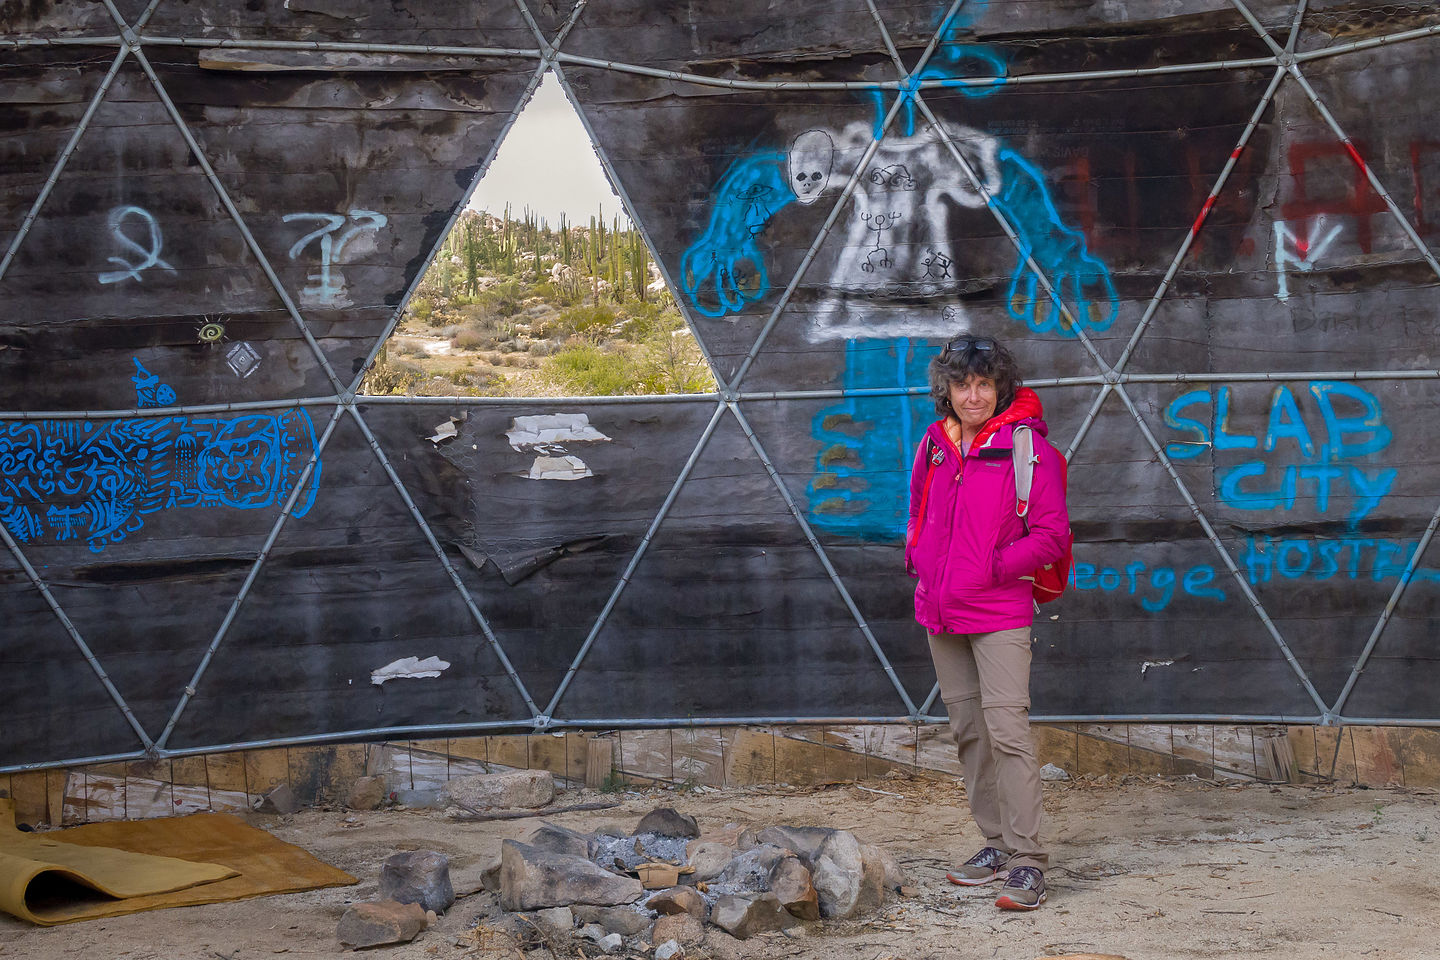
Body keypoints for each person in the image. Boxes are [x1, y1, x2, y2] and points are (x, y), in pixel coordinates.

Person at [904, 335, 1070, 910]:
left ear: (1001, 385)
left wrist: (994, 568)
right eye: (961, 384)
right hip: (942, 611)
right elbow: (918, 512)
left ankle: (1028, 862)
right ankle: (995, 845)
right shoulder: (934, 445)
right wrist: (919, 560)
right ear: (946, 390)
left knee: (1008, 734)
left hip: (998, 612)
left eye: (983, 383)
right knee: (970, 734)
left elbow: (1052, 536)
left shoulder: (1030, 450)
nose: (973, 396)